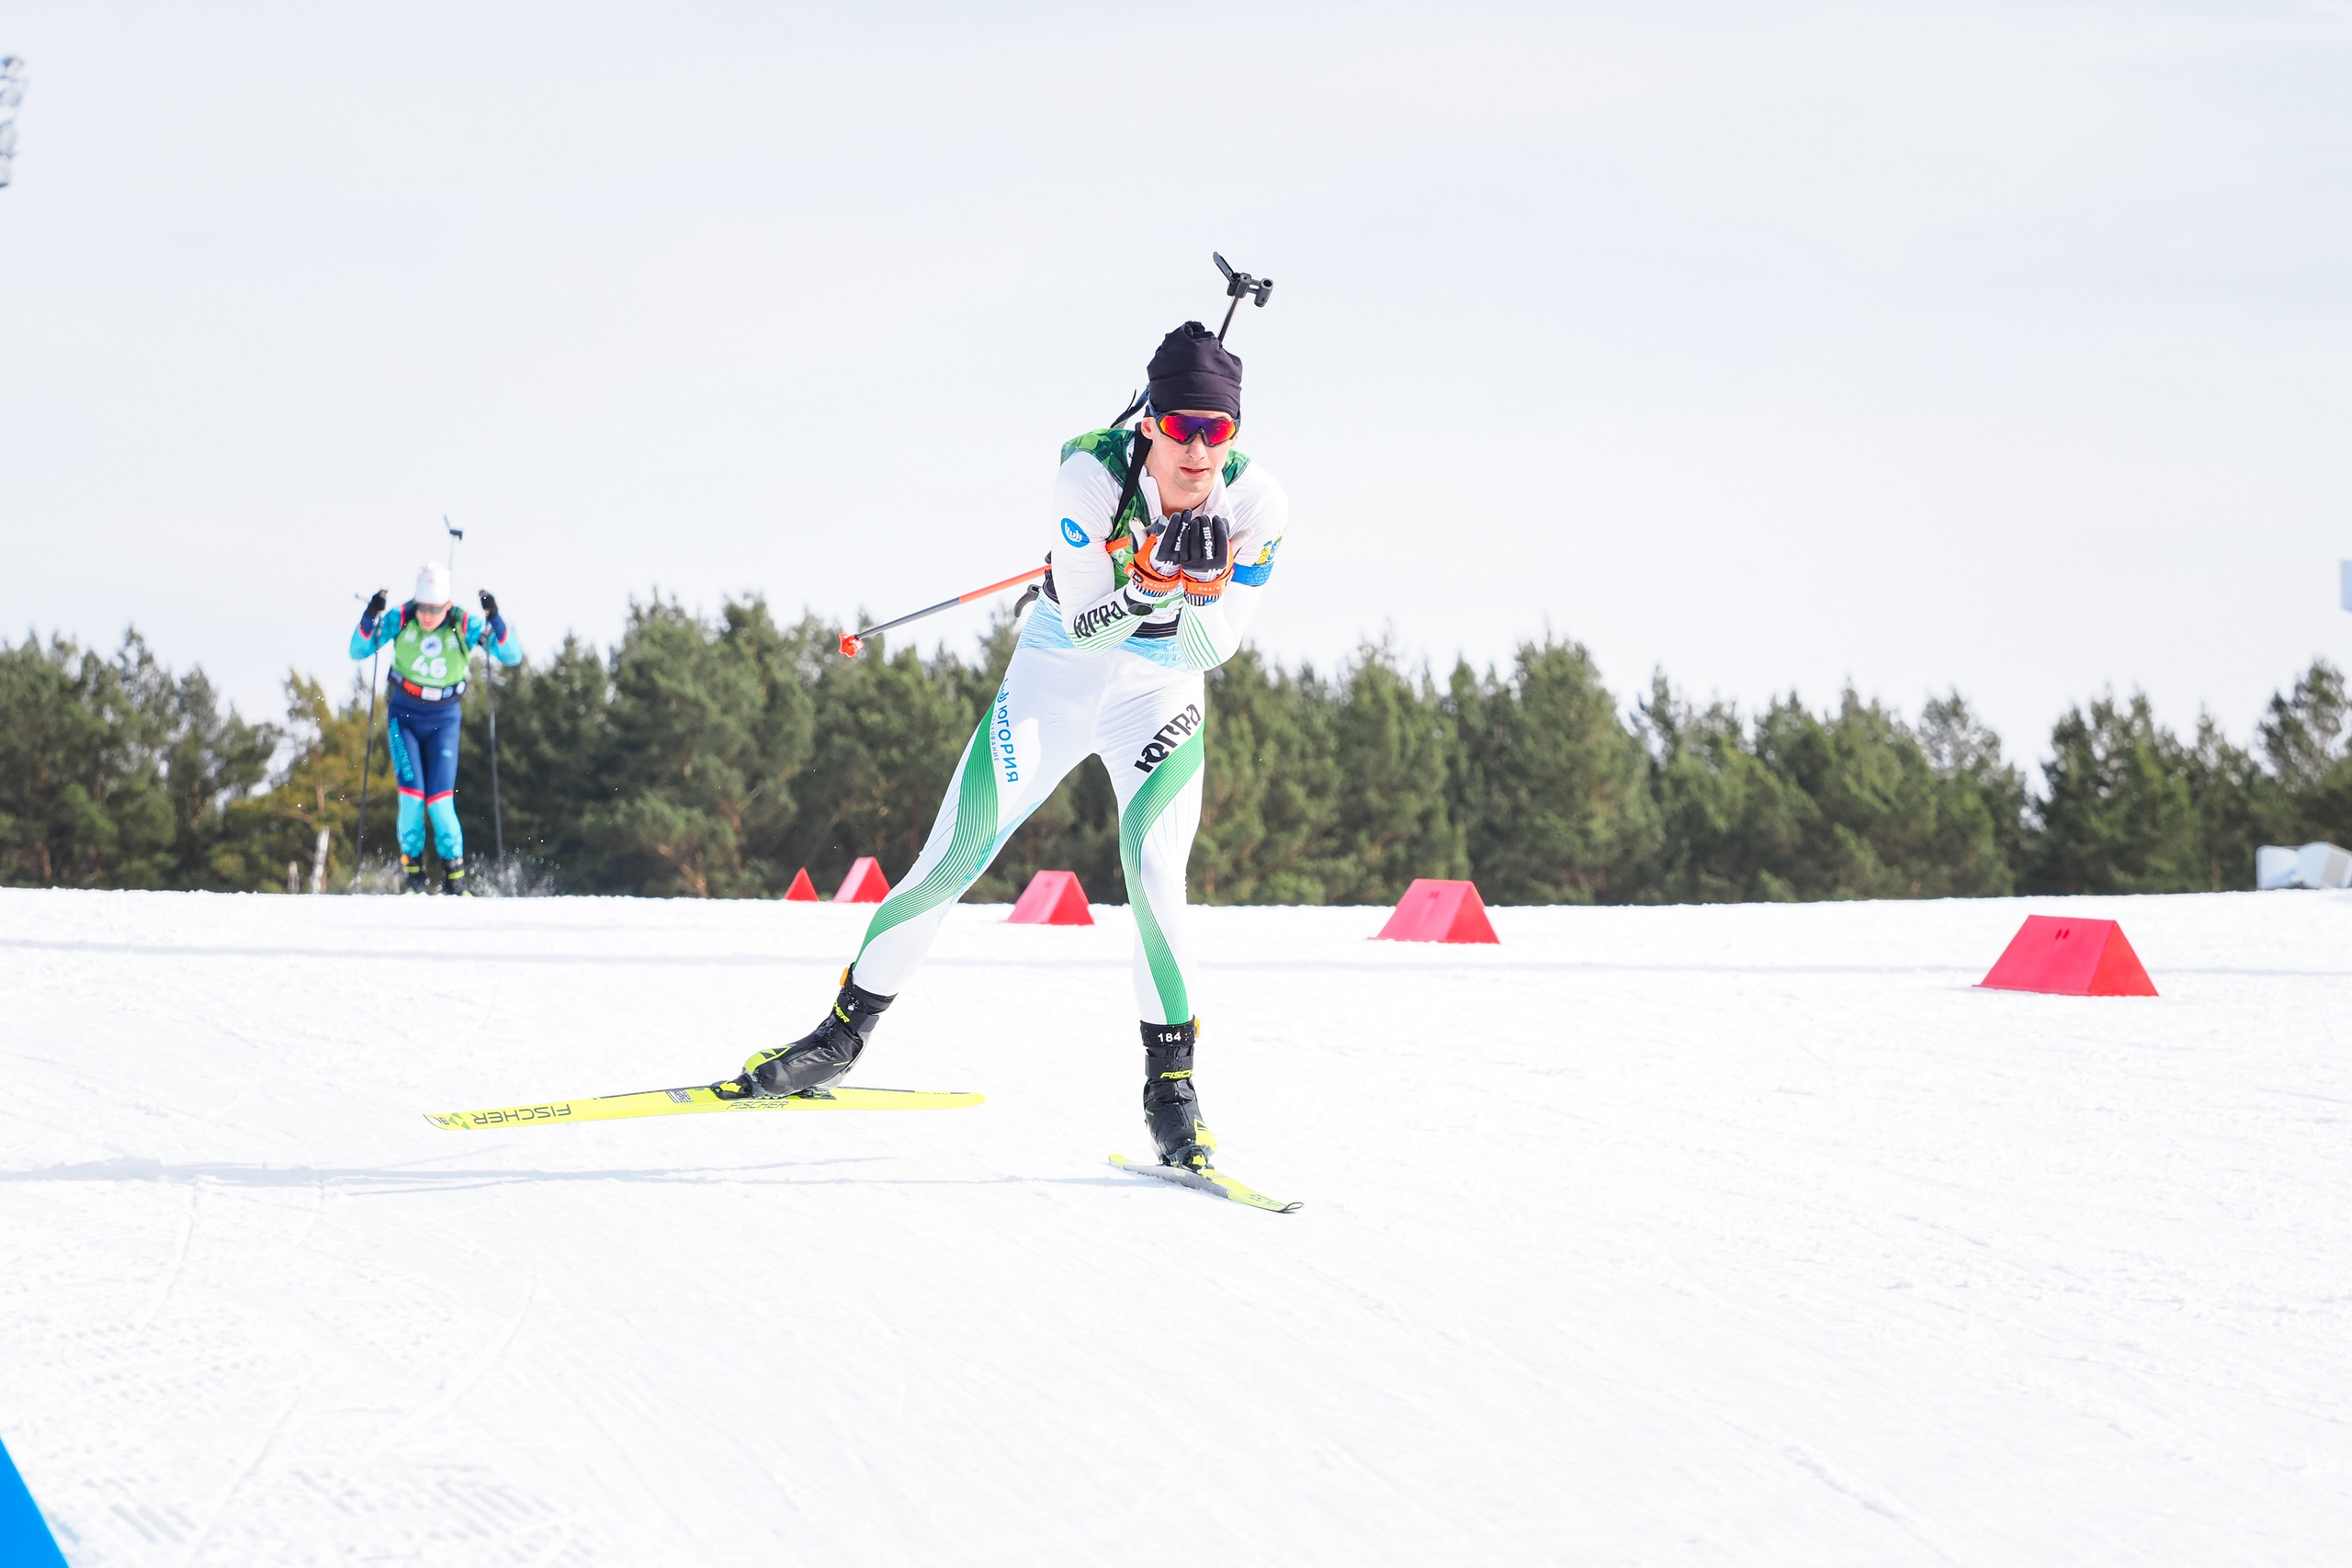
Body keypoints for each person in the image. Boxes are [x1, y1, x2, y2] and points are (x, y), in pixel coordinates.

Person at [716, 322, 1289, 1173]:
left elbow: (1212, 650)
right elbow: (1089, 629)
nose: (1199, 450)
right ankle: (840, 1036)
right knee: (955, 853)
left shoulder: (1259, 503)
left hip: (1158, 689)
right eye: (1182, 427)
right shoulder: (1090, 472)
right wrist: (1145, 585)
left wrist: (1196, 594)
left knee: (1153, 869)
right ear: (1151, 423)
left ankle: (1172, 1091)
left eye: (1219, 429)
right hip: (1063, 671)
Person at [350, 563, 520, 894]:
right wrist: (371, 615)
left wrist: (495, 618)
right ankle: (413, 875)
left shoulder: (462, 623)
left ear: (447, 604)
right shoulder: (402, 618)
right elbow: (358, 650)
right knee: (412, 798)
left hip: (444, 720)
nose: (427, 616)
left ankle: (455, 879)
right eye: (423, 607)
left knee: (440, 802)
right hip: (405, 717)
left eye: (435, 609)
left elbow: (511, 656)